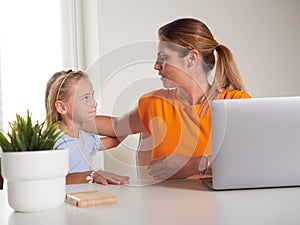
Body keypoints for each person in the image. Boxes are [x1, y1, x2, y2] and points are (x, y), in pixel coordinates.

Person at [83, 18, 251, 180]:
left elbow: (251, 159)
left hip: (221, 205)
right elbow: (115, 127)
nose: (156, 65)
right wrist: (67, 117)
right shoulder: (154, 103)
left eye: (163, 57)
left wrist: (191, 164)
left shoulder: (235, 104)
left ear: (192, 58)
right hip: (162, 205)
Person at [45, 70, 129, 185]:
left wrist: (133, 125)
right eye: (85, 98)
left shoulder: (85, 136)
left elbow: (114, 141)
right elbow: (55, 179)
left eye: (92, 96)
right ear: (62, 107)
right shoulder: (55, 140)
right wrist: (93, 175)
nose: (94, 103)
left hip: (83, 196)